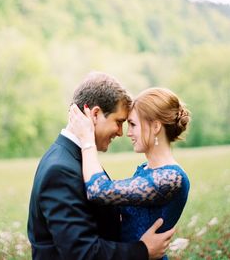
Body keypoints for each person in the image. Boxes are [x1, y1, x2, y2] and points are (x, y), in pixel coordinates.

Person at [27, 72, 175, 260]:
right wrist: (143, 250)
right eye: (119, 122)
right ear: (95, 114)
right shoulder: (61, 170)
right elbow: (81, 252)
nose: (121, 132)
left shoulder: (73, 158)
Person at [68, 86, 191, 260]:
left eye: (133, 124)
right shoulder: (145, 169)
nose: (128, 133)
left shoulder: (171, 178)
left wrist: (87, 139)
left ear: (155, 126)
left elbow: (98, 190)